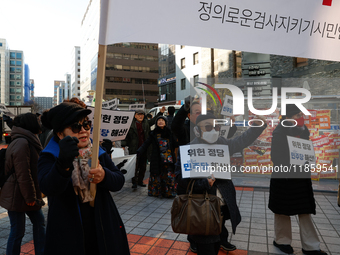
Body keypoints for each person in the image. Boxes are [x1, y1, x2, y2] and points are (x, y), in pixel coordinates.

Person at [38, 102, 130, 255]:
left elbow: (118, 181)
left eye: (86, 125)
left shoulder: (97, 152)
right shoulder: (49, 156)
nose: (83, 131)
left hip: (102, 226)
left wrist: (104, 175)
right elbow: (48, 187)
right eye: (75, 127)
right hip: (67, 231)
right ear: (60, 134)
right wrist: (62, 163)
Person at [175, 113, 267, 255]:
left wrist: (256, 127)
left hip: (221, 205)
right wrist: (204, 183)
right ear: (197, 130)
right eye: (208, 127)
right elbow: (180, 178)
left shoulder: (222, 143)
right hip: (201, 208)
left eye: (216, 127)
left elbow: (241, 141)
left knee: (217, 242)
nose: (213, 130)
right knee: (206, 247)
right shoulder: (189, 149)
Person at [269, 105, 327, 255]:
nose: (300, 117)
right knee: (281, 212)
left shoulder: (303, 130)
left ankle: (311, 246)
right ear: (288, 117)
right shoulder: (280, 132)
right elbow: (276, 157)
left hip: (300, 179)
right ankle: (282, 241)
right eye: (297, 115)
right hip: (284, 178)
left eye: (300, 114)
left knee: (305, 211)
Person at [0, 113, 46, 255]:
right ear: (30, 124)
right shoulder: (22, 142)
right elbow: (23, 173)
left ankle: (41, 251)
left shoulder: (27, 139)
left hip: (22, 192)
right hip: (17, 194)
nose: (39, 123)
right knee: (18, 230)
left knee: (39, 223)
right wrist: (30, 197)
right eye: (36, 121)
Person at [122, 107, 164, 189]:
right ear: (135, 116)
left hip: (145, 149)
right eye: (139, 115)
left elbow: (154, 120)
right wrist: (123, 145)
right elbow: (126, 136)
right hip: (134, 148)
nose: (140, 116)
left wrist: (160, 113)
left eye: (142, 115)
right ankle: (134, 182)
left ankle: (140, 181)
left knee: (143, 166)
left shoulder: (146, 123)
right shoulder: (130, 124)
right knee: (135, 166)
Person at [137, 115, 178, 197]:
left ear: (165, 123)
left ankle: (169, 193)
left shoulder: (170, 133)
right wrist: (139, 151)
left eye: (163, 120)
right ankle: (156, 192)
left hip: (168, 159)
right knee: (156, 175)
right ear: (156, 123)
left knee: (168, 176)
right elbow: (146, 143)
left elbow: (176, 144)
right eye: (159, 120)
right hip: (157, 158)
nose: (161, 122)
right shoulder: (153, 133)